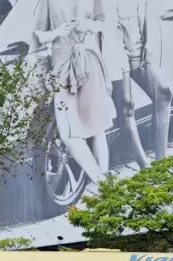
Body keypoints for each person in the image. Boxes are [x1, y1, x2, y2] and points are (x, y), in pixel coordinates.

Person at [35, 0, 116, 185]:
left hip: (89, 60)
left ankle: (105, 179)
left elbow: (104, 23)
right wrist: (57, 32)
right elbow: (39, 35)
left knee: (96, 124)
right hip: (62, 66)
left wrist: (88, 24)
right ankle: (101, 181)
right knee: (67, 134)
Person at [104, 1, 173, 168]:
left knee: (163, 92)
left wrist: (147, 38)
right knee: (126, 105)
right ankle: (145, 168)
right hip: (110, 38)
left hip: (136, 35)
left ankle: (161, 166)